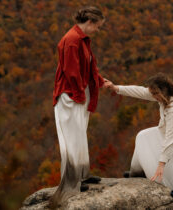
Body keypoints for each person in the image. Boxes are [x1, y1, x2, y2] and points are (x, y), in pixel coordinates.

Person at [104, 73, 173, 199]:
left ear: (163, 91)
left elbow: (171, 138)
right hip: (168, 134)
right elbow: (141, 91)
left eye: (155, 93)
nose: (152, 96)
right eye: (152, 93)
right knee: (143, 136)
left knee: (146, 138)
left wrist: (161, 165)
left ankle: (140, 173)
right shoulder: (163, 96)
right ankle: (136, 172)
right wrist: (116, 88)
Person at [50, 6, 109, 208]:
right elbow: (72, 71)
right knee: (71, 137)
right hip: (69, 95)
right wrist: (77, 95)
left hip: (78, 93)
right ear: (90, 22)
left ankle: (82, 175)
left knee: (79, 134)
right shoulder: (72, 41)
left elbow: (88, 67)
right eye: (98, 27)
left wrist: (99, 81)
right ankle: (72, 180)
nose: (98, 31)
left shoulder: (81, 39)